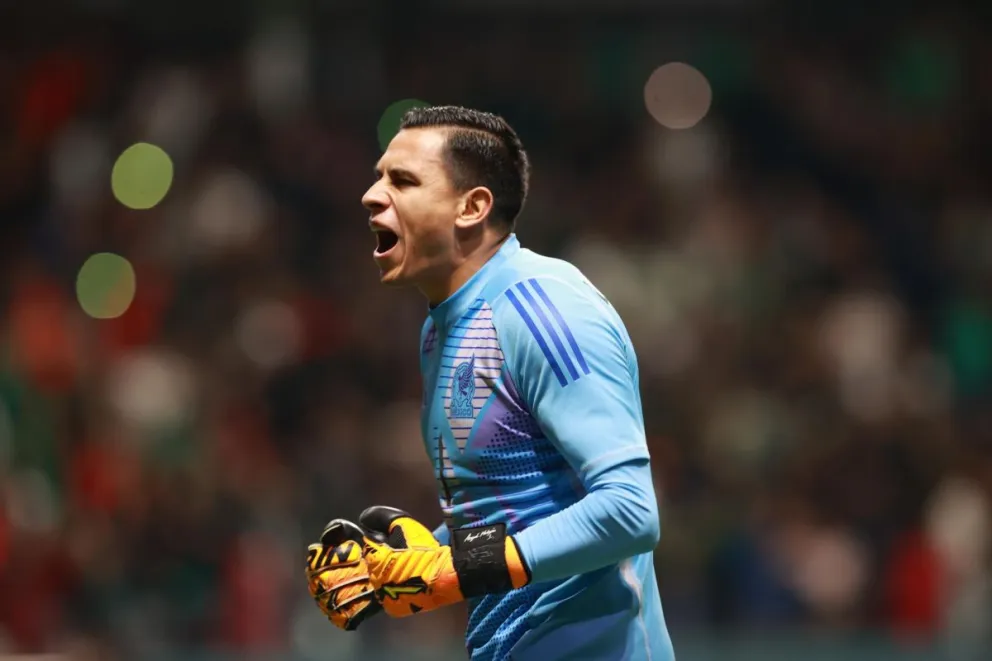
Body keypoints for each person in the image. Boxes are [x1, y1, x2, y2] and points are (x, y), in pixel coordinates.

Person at [305, 105, 675, 661]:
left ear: (472, 207)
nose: (372, 194)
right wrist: (407, 567)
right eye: (379, 176)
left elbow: (629, 512)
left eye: (401, 180)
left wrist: (453, 568)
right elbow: (516, 513)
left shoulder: (544, 307)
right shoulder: (440, 330)